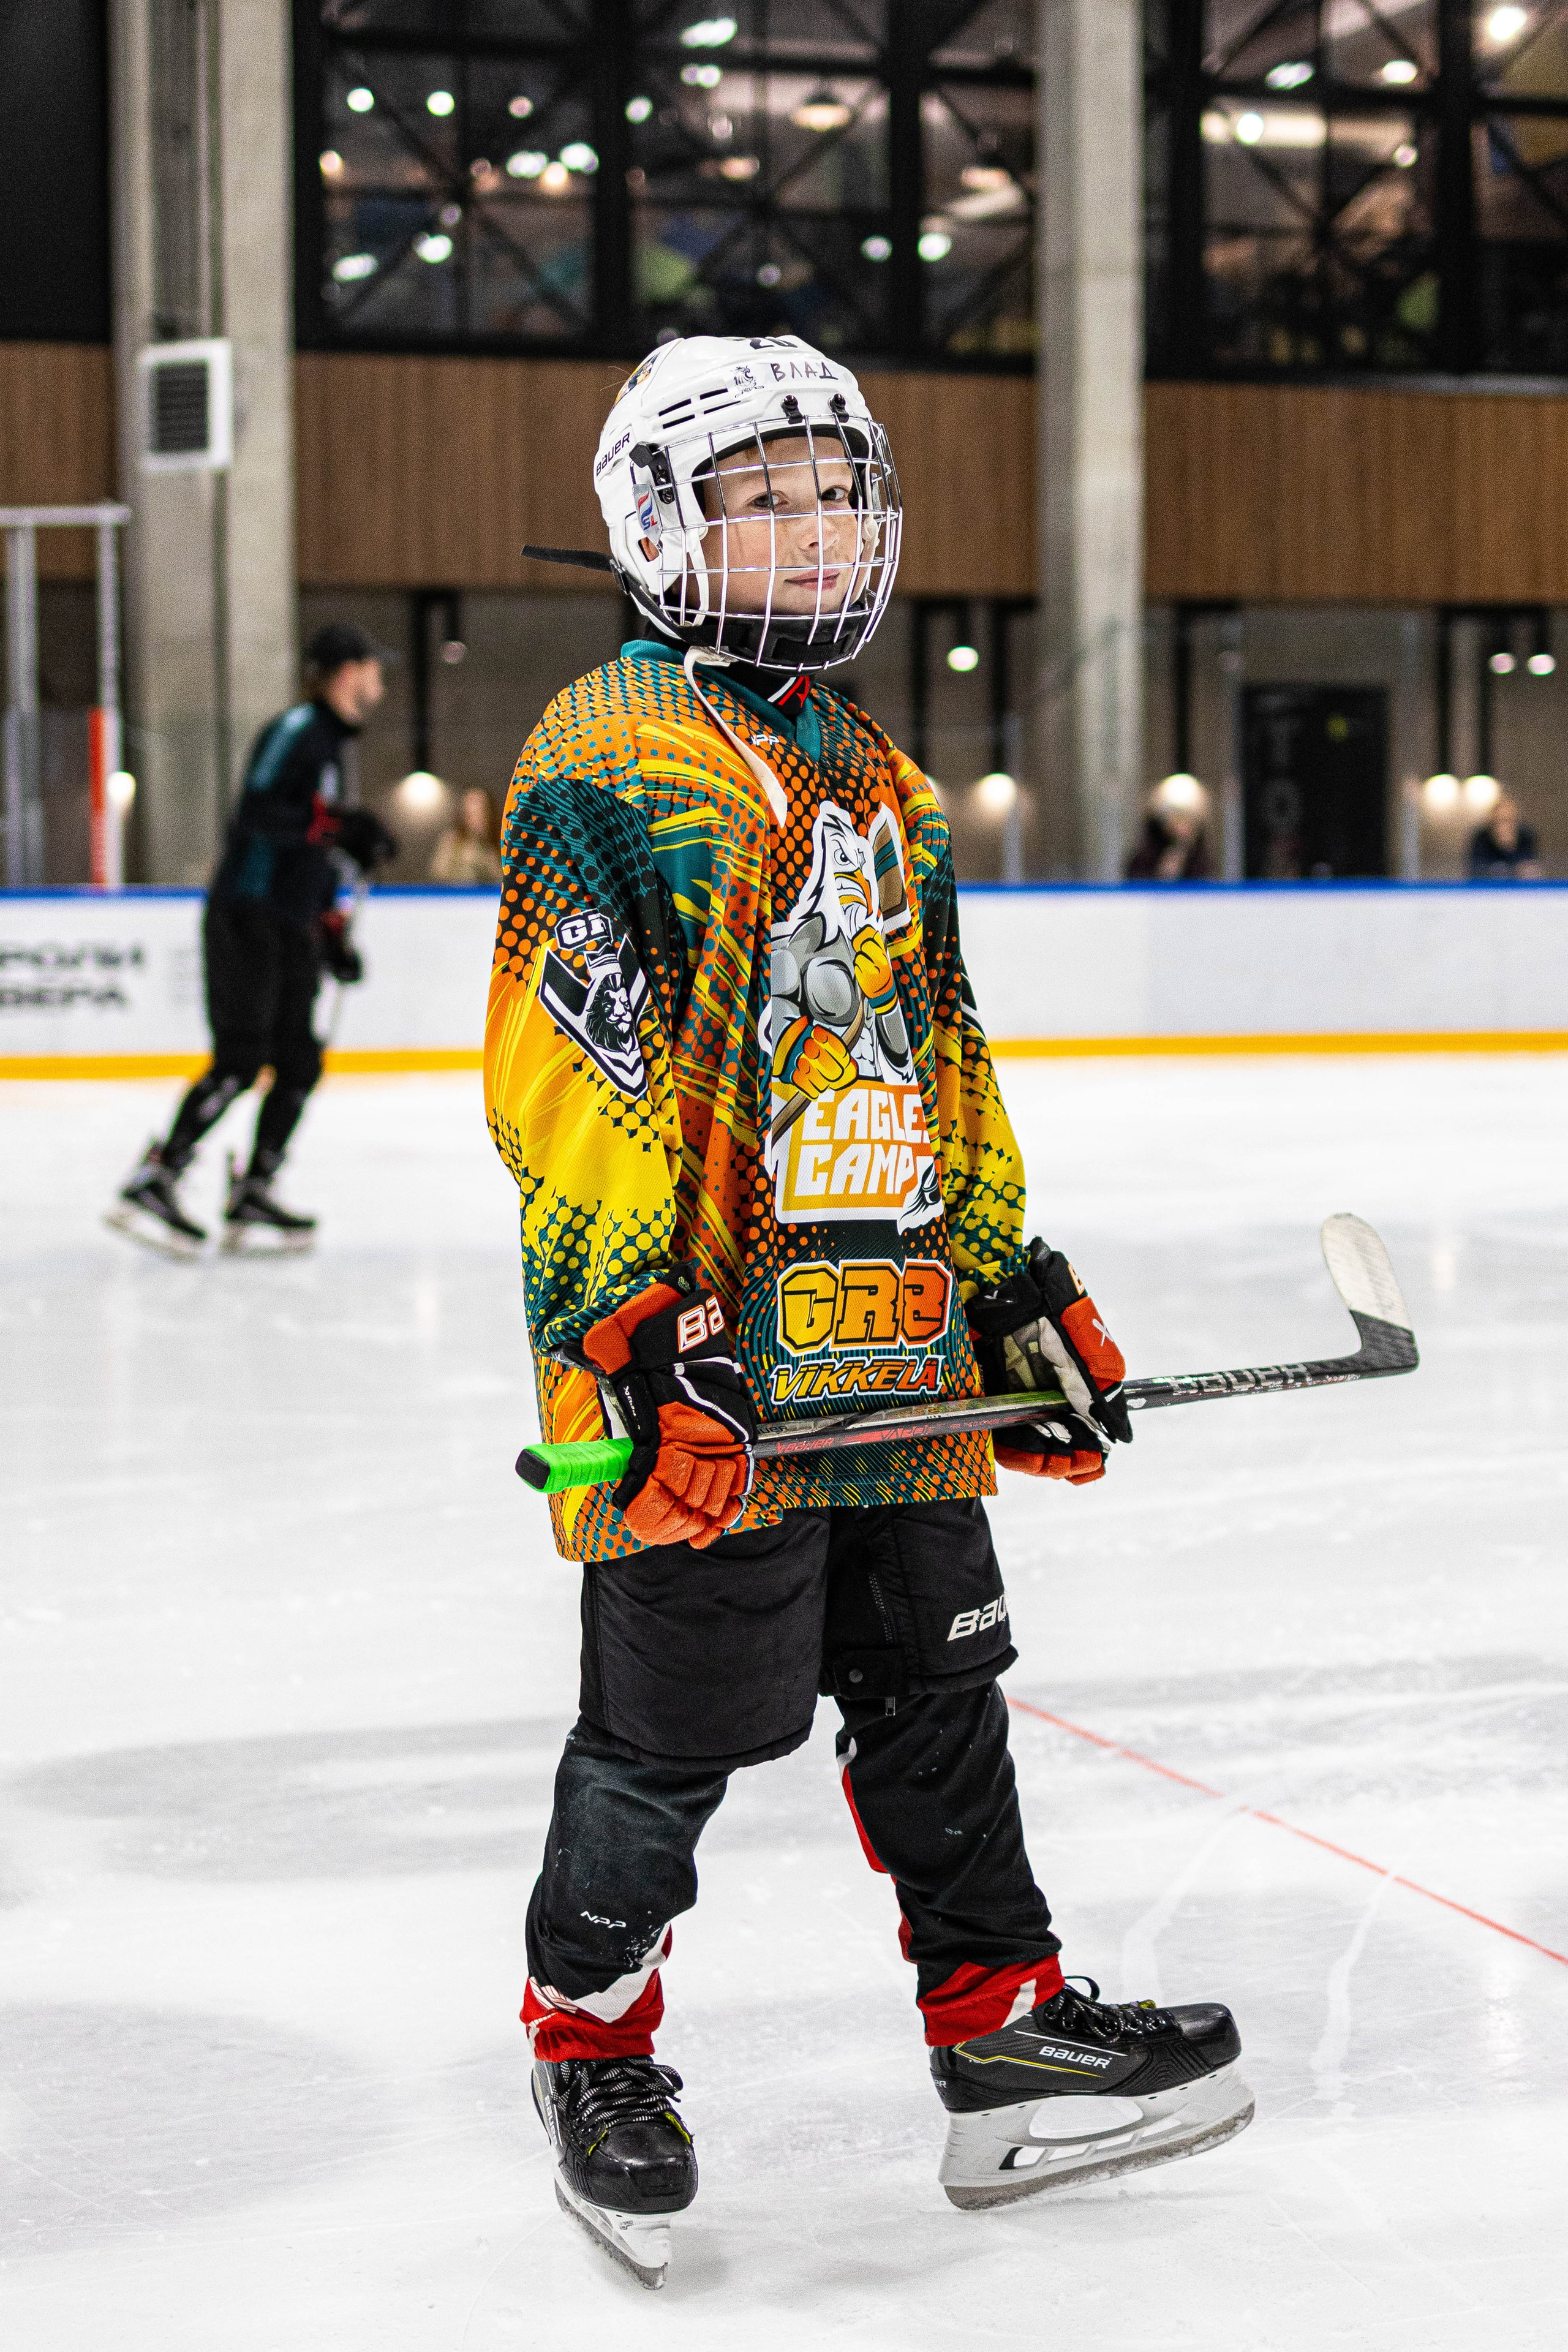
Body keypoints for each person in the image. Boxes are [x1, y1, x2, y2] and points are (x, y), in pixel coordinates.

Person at [485, 334, 1249, 2290]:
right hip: (713, 1369)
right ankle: (592, 2043)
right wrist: (631, 1333)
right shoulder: (606, 747)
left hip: (889, 1345)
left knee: (936, 1685)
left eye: (834, 491)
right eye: (763, 499)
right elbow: (575, 1070)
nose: (814, 529)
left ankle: (998, 2029)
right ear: (658, 526)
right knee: (671, 1735)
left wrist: (1013, 1289)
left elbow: (940, 1057)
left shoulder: (877, 769)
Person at [107, 622, 397, 1258]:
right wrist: (340, 827)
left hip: (291, 925)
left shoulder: (335, 747)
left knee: (299, 1061)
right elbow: (260, 812)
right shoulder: (298, 731)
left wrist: (330, 932)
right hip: (247, 914)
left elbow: (314, 853)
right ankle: (157, 1175)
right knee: (242, 1056)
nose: (379, 679)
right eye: (373, 667)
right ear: (347, 670)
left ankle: (254, 1188)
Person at [1125, 780, 1214, 880]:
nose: (1182, 826)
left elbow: (1204, 883)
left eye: (1187, 819)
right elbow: (1136, 882)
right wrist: (1161, 874)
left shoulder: (1199, 857)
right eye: (1177, 817)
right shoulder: (1146, 854)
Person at [430, 785, 503, 884]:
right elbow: (438, 872)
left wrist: (483, 841)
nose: (475, 813)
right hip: (457, 895)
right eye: (471, 811)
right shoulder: (451, 840)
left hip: (489, 897)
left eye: (480, 811)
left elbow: (502, 876)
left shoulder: (501, 841)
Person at [1468, 793, 1542, 880]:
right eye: (1500, 820)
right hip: (1489, 888)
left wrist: (1509, 847)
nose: (1504, 825)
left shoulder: (1526, 835)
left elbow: (1530, 866)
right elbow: (1476, 868)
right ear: (1492, 820)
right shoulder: (1481, 837)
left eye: (1508, 820)